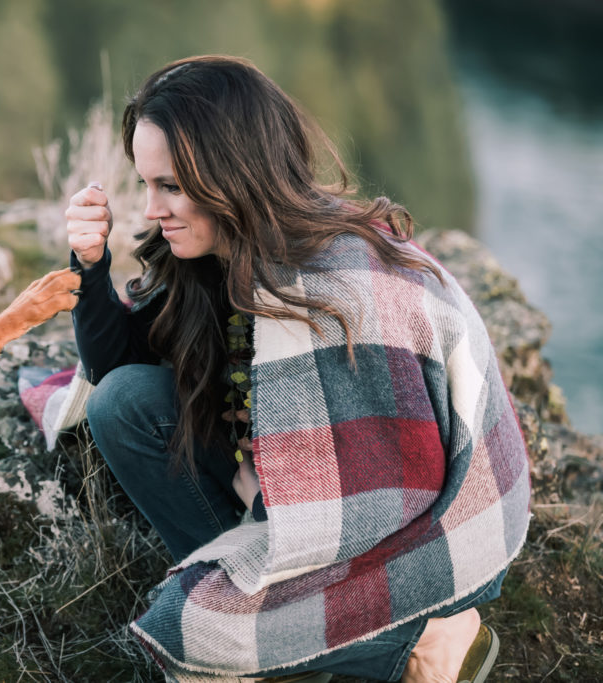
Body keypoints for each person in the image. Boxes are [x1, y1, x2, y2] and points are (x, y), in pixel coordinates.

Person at [64, 55, 530, 683]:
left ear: (233, 174)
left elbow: (394, 501)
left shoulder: (345, 291)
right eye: (146, 184)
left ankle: (432, 639)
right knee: (121, 402)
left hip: (419, 538)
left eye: (170, 186)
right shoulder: (212, 255)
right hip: (289, 506)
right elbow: (117, 368)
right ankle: (276, 630)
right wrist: (89, 267)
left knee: (191, 629)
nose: (151, 210)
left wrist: (279, 524)